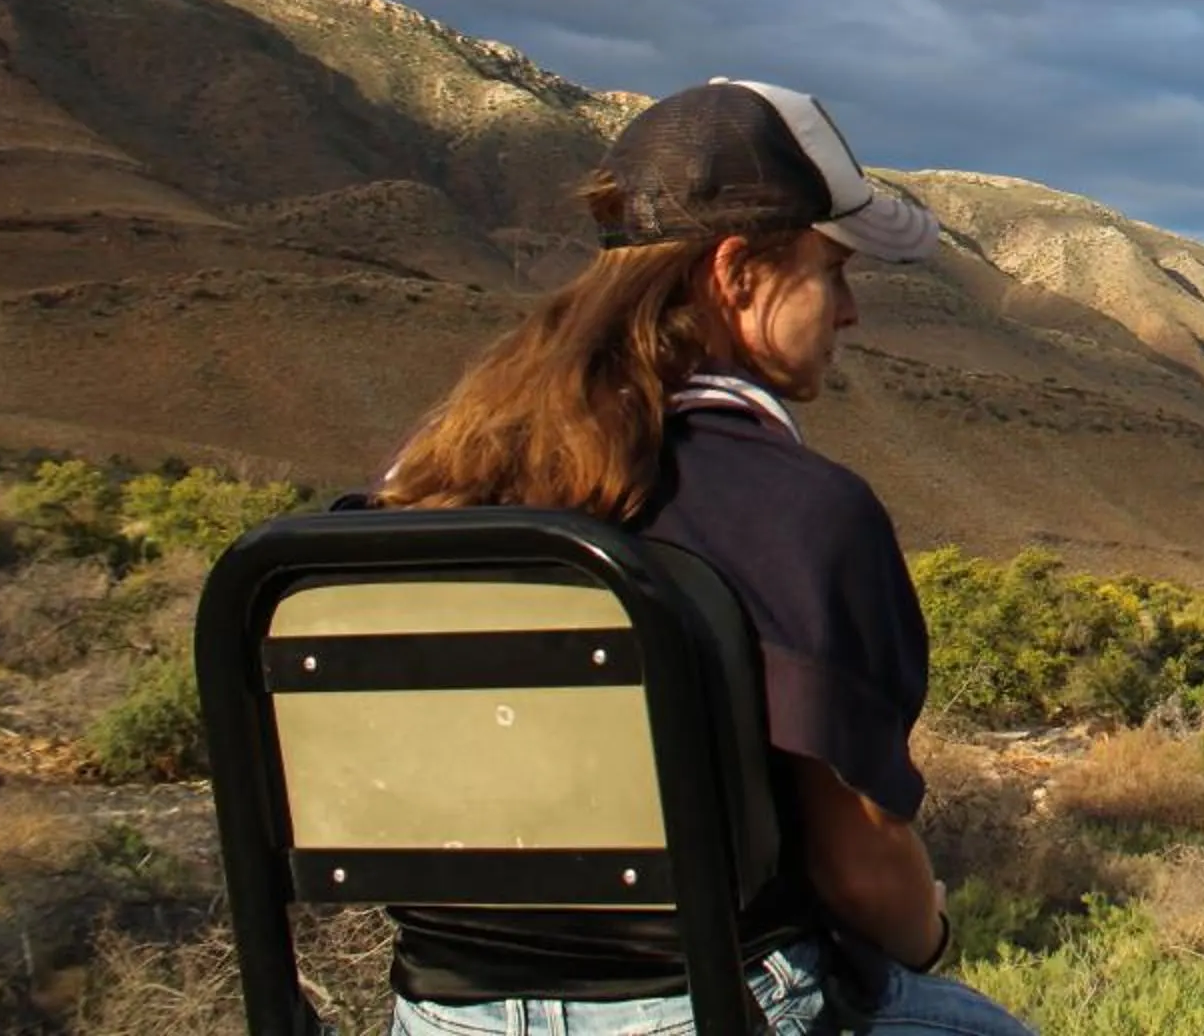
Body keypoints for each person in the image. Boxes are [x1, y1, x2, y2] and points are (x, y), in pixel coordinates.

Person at [372, 77, 1035, 1036]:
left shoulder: (420, 485)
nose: (848, 313)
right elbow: (862, 873)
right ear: (739, 275)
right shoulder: (802, 513)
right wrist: (929, 938)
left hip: (436, 1013)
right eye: (833, 272)